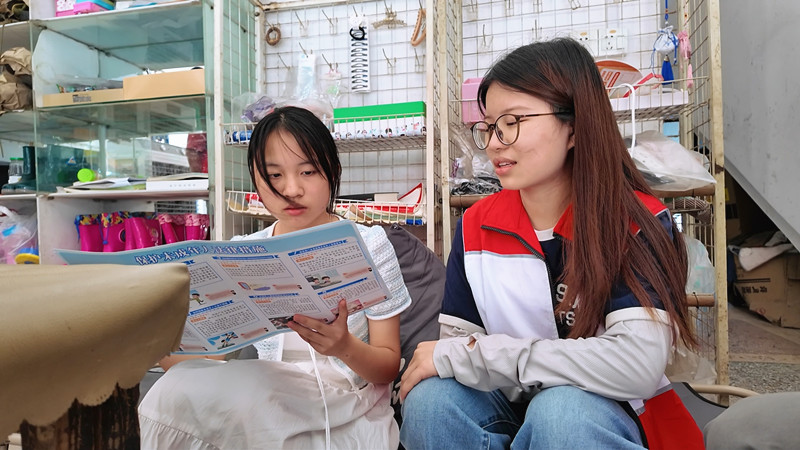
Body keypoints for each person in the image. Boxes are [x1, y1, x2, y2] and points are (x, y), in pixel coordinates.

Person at [398, 38, 702, 449]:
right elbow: (457, 348)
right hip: (508, 403)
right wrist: (467, 357)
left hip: (607, 413)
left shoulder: (632, 222)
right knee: (430, 402)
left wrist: (489, 356)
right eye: (489, 126)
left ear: (573, 126)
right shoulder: (475, 225)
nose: (494, 143)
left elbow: (636, 365)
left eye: (512, 121)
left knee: (560, 412)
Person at [138, 106, 412, 449]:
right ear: (256, 180)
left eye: (308, 171)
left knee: (248, 400)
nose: (292, 189)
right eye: (275, 175)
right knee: (171, 390)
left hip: (346, 404)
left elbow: (388, 367)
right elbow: (205, 358)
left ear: (333, 170)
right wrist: (152, 342)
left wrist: (344, 347)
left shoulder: (369, 244)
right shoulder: (242, 251)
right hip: (267, 397)